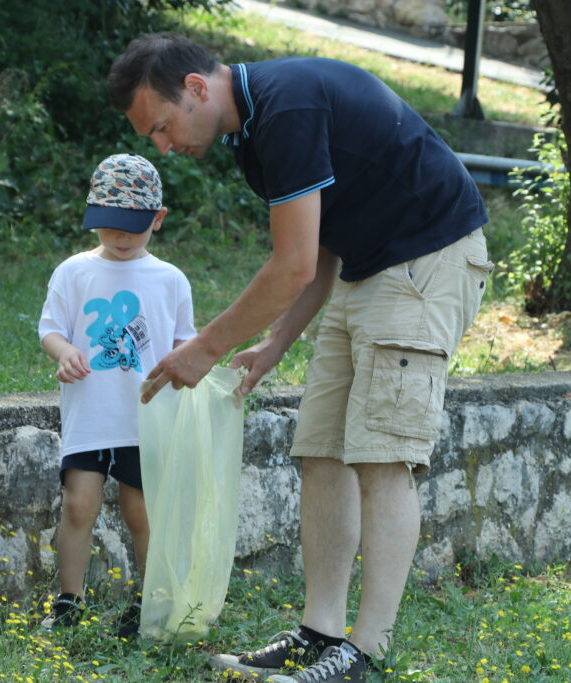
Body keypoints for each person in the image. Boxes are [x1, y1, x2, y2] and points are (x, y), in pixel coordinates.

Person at [109, 33, 493, 682]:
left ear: (197, 89)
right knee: (321, 451)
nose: (164, 146)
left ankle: (365, 649)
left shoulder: (285, 108)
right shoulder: (251, 134)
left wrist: (207, 348)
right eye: (153, 136)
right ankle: (319, 633)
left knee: (382, 455)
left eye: (164, 127)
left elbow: (289, 265)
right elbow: (315, 252)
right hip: (367, 267)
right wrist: (271, 347)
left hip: (428, 258)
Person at [36, 152, 196, 635]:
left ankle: (149, 602)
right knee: (78, 505)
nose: (121, 238)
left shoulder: (170, 280)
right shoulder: (73, 272)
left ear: (158, 219)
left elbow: (185, 343)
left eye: (133, 226)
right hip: (90, 413)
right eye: (110, 225)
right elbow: (51, 329)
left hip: (145, 419)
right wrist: (63, 353)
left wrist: (185, 366)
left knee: (140, 511)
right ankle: (69, 600)